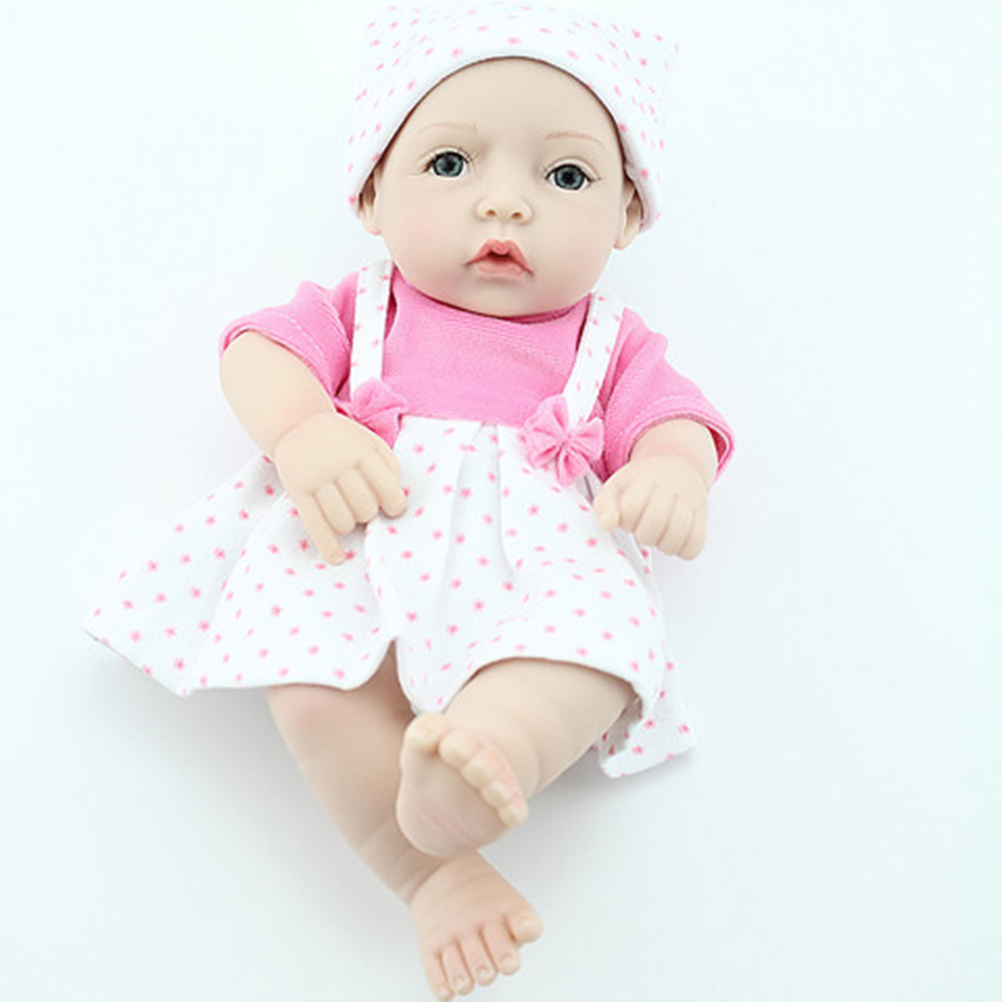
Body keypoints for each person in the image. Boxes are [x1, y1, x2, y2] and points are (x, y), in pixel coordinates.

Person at [87, 4, 734, 998]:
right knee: (311, 688)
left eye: (565, 177)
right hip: (364, 537)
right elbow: (255, 352)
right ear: (372, 192)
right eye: (450, 164)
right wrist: (304, 431)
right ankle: (431, 874)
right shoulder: (364, 308)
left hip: (545, 560)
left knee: (596, 651)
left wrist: (673, 471)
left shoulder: (610, 343)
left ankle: (492, 748)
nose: (505, 205)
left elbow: (677, 417)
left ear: (628, 215)